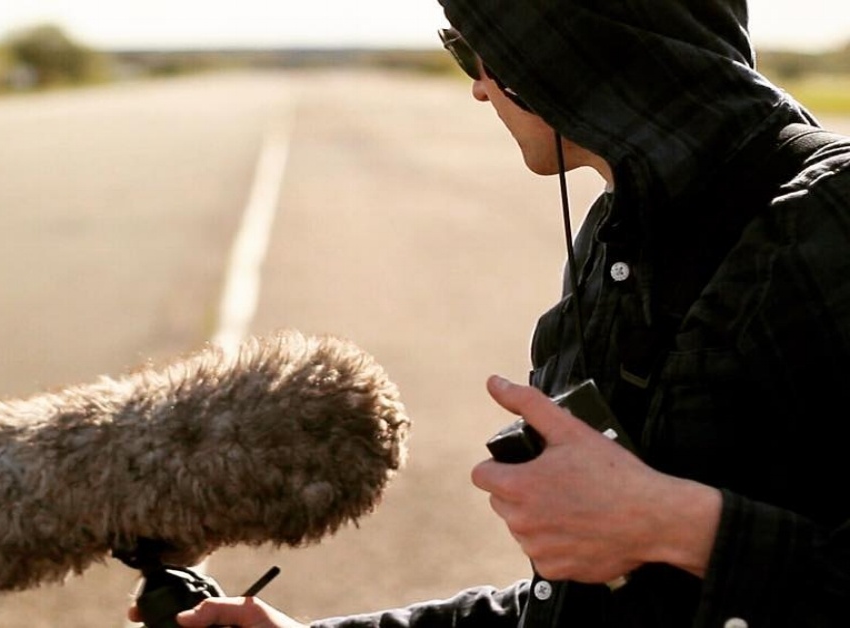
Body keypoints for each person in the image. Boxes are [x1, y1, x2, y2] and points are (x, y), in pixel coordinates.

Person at [130, 0, 850, 625]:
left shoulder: (831, 217)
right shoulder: (619, 236)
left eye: (479, 50)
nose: (478, 87)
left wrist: (688, 530)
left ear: (559, 48)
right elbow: (585, 611)